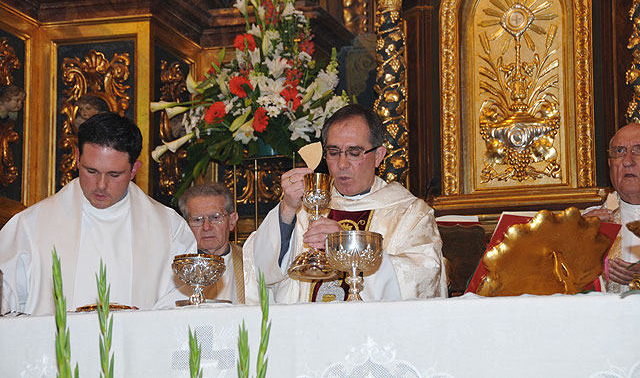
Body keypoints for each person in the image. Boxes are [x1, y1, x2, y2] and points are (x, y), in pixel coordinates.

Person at [243, 104, 447, 303]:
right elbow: (260, 270)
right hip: (307, 329)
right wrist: (286, 209)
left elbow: (423, 278)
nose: (341, 164)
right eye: (333, 152)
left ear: (378, 156)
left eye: (354, 153)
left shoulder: (409, 213)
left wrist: (348, 246)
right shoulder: (307, 207)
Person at [0, 112, 196, 315]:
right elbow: (6, 301)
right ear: (77, 158)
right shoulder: (30, 225)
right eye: (91, 171)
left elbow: (183, 300)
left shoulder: (169, 227)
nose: (101, 185)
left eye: (114, 174)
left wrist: (144, 321)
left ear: (134, 170)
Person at [584, 122, 640, 292]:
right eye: (619, 152)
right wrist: (575, 239)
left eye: (639, 149)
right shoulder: (589, 221)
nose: (627, 161)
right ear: (610, 164)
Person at [176, 182, 245, 304]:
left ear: (232, 220)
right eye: (197, 219)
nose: (206, 227)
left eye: (215, 217)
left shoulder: (250, 264)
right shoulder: (176, 269)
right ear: (186, 225)